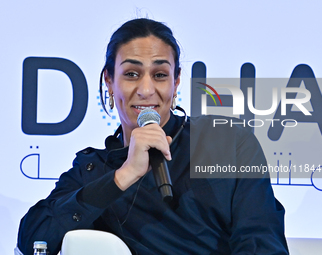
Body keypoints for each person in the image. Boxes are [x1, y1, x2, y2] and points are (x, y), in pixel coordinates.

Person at [17, 18, 289, 255]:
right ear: (109, 82)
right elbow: (33, 241)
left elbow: (262, 242)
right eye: (132, 74)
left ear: (176, 81)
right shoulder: (95, 170)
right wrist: (123, 176)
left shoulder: (227, 141)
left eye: (159, 75)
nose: (146, 90)